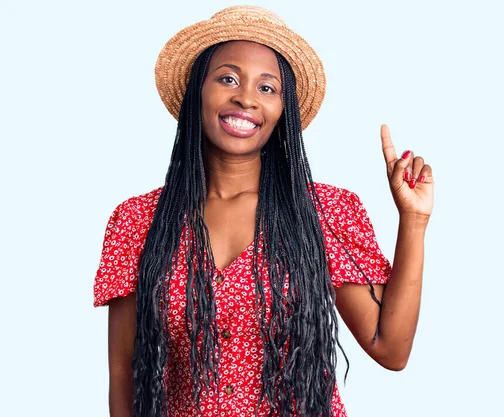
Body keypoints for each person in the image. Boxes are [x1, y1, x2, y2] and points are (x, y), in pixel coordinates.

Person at [93, 5, 434, 417]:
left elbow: (391, 349)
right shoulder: (138, 220)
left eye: (267, 88)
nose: (246, 98)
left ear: (282, 110)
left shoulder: (324, 212)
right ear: (196, 91)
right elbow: (124, 377)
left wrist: (413, 221)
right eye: (228, 78)